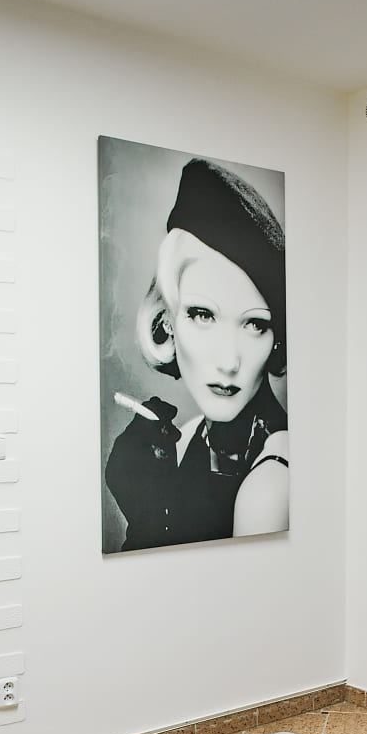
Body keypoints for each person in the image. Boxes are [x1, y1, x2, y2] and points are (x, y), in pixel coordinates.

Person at [107, 158, 288, 551]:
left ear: (277, 338)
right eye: (203, 315)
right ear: (168, 320)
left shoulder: (271, 484)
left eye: (254, 324)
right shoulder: (187, 437)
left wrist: (149, 522)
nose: (229, 362)